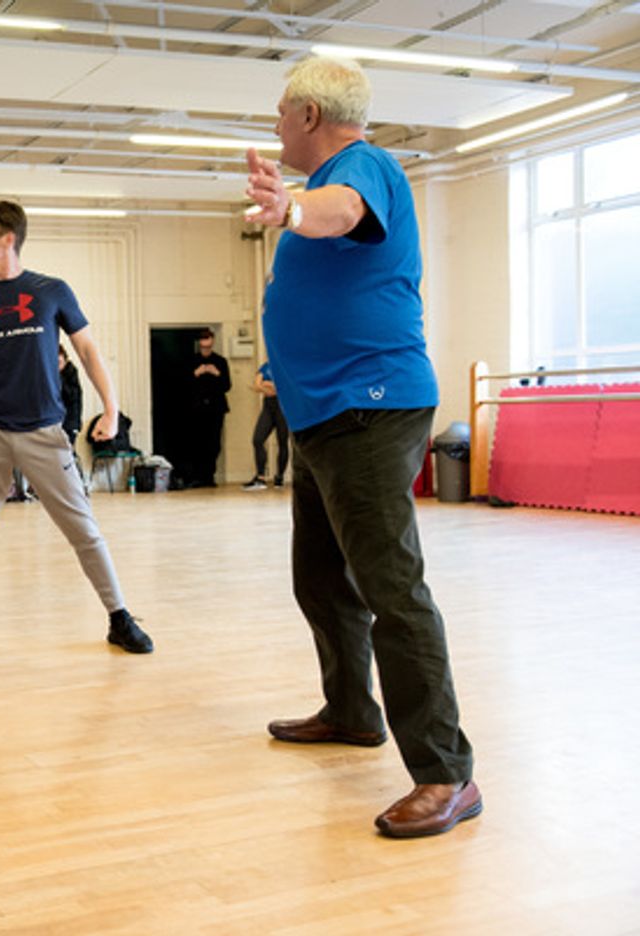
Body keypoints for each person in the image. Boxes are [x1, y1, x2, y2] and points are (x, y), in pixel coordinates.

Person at [245, 56, 479, 837]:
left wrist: (291, 208)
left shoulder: (362, 168)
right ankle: (351, 709)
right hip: (324, 414)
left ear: (311, 115)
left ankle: (447, 775)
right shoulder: (326, 181)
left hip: (371, 408)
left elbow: (342, 211)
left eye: (283, 111)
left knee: (392, 590)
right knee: (320, 576)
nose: (277, 124)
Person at [0, 200, 153, 656]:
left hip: (45, 434)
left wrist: (111, 408)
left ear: (8, 238)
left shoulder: (51, 291)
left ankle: (120, 617)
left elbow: (87, 351)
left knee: (84, 530)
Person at [187, 327, 231, 487]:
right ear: (199, 344)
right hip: (196, 408)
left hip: (215, 408)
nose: (206, 349)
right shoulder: (191, 361)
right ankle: (196, 476)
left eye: (208, 347)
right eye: (203, 347)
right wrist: (195, 374)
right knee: (197, 442)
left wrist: (217, 374)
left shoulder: (221, 361)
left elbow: (227, 386)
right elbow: (181, 385)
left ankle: (209, 476)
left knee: (213, 443)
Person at [242, 360, 290, 490]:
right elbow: (256, 386)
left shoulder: (285, 365)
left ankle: (279, 477)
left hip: (283, 407)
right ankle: (261, 477)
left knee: (282, 442)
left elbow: (284, 388)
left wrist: (266, 384)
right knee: (257, 439)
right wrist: (270, 386)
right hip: (268, 406)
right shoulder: (266, 366)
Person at [58, 343, 83, 447]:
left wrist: (58, 378)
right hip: (56, 422)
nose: (57, 366)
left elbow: (72, 396)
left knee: (67, 450)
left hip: (70, 421)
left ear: (65, 359)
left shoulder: (70, 372)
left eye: (59, 362)